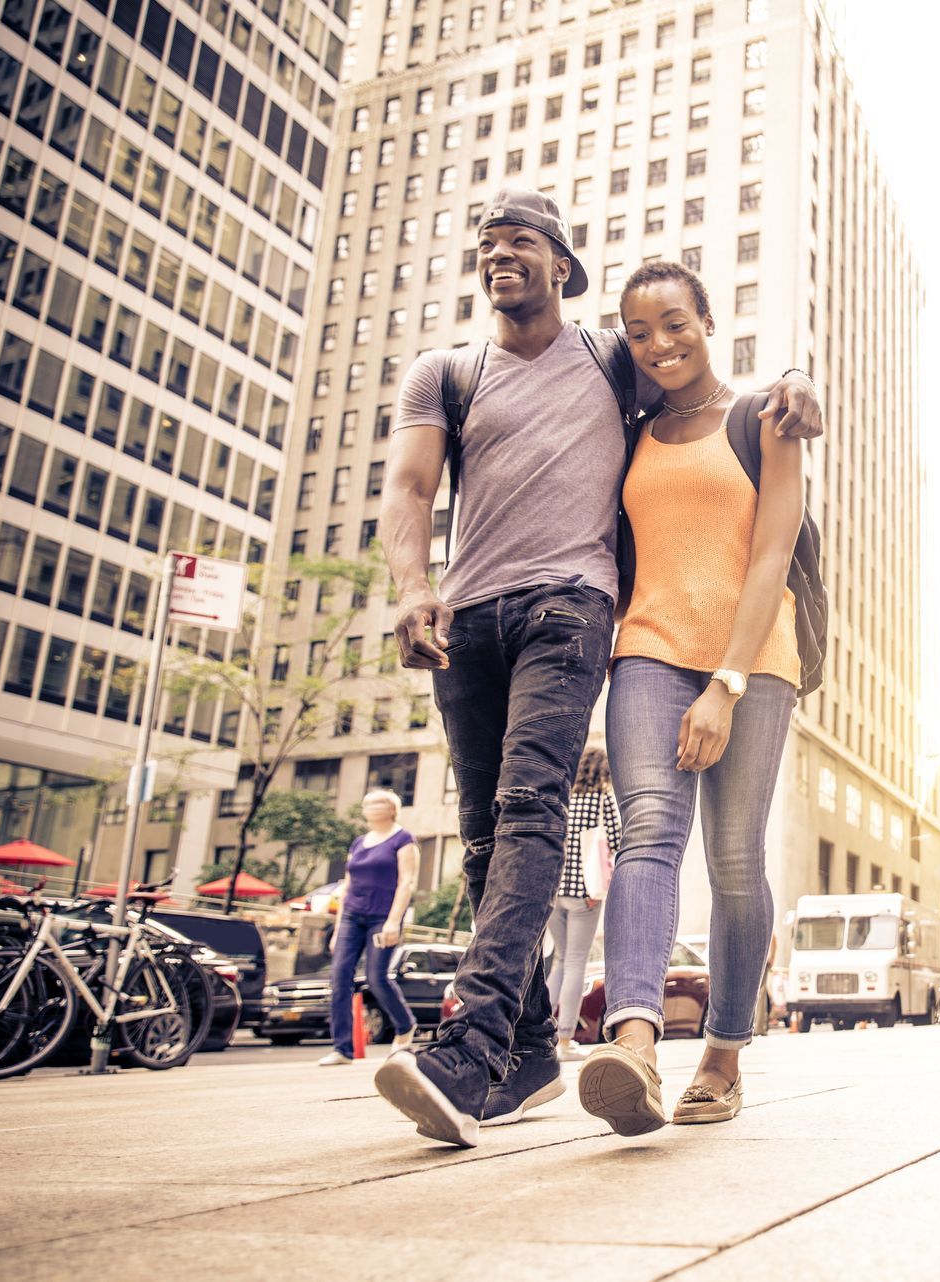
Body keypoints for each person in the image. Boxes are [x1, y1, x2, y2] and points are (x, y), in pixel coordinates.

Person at [374, 193, 821, 1147]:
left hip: (666, 636)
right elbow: (419, 486)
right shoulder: (510, 388)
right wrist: (413, 588)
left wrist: (793, 376)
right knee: (569, 832)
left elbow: (764, 529)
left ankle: (688, 1050)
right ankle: (581, 1047)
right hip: (563, 630)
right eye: (641, 332)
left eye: (522, 242)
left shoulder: (682, 388)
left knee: (705, 851)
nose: (656, 346)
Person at [575, 261, 812, 1134]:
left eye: (675, 323)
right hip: (647, 650)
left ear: (708, 320)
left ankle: (722, 1054)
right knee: (647, 834)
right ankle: (634, 1044)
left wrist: (728, 683)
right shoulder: (629, 428)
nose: (659, 344)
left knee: (735, 860)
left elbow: (770, 554)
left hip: (752, 658)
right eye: (639, 333)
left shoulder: (764, 418)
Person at [321, 789, 420, 1066]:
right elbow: (348, 886)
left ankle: (404, 1025)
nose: (372, 807)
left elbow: (407, 882)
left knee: (376, 978)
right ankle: (342, 1048)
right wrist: (339, 928)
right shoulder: (358, 843)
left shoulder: (403, 840)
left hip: (382, 917)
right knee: (339, 977)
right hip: (352, 915)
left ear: (392, 809)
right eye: (367, 804)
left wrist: (393, 920)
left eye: (378, 803)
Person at [541, 747, 620, 1066]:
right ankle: (564, 1038)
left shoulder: (564, 798)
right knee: (575, 962)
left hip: (555, 889)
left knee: (559, 961)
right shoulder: (601, 800)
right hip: (586, 890)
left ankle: (542, 1034)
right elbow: (617, 837)